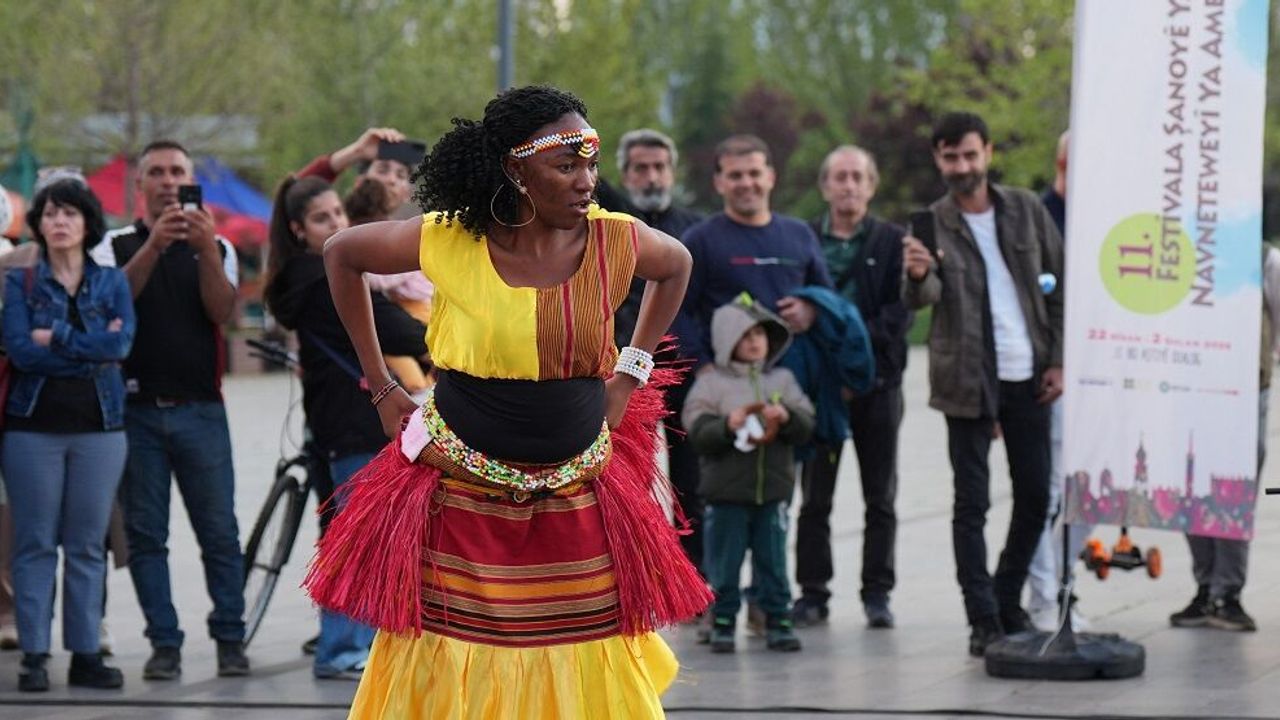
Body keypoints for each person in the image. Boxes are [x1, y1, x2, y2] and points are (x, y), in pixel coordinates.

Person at [303, 85, 708, 718]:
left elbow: (677, 265)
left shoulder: (617, 239)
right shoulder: (449, 238)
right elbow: (341, 254)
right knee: (454, 660)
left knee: (583, 654)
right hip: (460, 497)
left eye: (590, 163)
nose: (586, 181)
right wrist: (381, 385)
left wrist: (629, 374)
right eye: (566, 165)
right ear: (517, 171)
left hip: (576, 495)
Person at [902, 112, 1064, 657]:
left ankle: (1007, 598)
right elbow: (920, 300)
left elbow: (1060, 285)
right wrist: (918, 274)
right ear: (938, 159)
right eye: (950, 157)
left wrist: (1059, 360)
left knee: (1036, 495)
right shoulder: (931, 223)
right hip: (966, 379)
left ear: (988, 152)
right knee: (971, 504)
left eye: (970, 154)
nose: (962, 166)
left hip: (1029, 373)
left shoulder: (1025, 208)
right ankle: (983, 618)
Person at [91, 141, 249, 679]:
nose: (167, 181)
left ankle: (230, 638)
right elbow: (108, 303)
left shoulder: (217, 244)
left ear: (190, 179)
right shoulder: (113, 245)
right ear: (139, 185)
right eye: (156, 172)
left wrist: (204, 250)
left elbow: (222, 311)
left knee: (219, 533)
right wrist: (154, 246)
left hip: (201, 409)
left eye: (177, 171)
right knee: (145, 536)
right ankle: (164, 644)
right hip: (134, 410)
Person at [263, 175, 428, 678]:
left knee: (349, 533)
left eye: (338, 213)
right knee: (359, 538)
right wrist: (442, 336)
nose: (336, 223)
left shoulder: (294, 277)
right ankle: (341, 649)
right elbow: (394, 329)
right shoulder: (322, 279)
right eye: (322, 218)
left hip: (332, 421)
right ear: (298, 229)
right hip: (356, 420)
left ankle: (349, 643)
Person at [2, 180, 134, 691]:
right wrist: (88, 348)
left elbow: (119, 347)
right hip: (32, 429)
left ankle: (85, 655)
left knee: (86, 545)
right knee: (34, 543)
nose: (60, 222)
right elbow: (20, 350)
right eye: (51, 213)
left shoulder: (112, 281)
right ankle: (35, 655)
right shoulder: (20, 283)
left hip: (101, 428)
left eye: (70, 213)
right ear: (38, 224)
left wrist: (56, 336)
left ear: (87, 223)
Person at [795, 145, 910, 629]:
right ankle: (813, 592)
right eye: (839, 177)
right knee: (814, 497)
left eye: (857, 177)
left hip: (878, 386)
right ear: (825, 186)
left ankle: (877, 593)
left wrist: (848, 339)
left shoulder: (893, 241)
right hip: (820, 389)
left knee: (880, 495)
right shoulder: (804, 238)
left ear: (871, 186)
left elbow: (900, 313)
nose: (848, 186)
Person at [597, 128, 705, 571]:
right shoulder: (606, 223)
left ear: (672, 172)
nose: (652, 176)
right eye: (641, 168)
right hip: (623, 369)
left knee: (691, 479)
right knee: (629, 477)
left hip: (685, 369)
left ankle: (693, 572)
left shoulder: (696, 228)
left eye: (659, 167)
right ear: (626, 174)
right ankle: (636, 572)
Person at [683, 295, 814, 654]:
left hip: (772, 492)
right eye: (744, 335)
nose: (754, 342)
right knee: (725, 562)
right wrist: (727, 425)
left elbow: (806, 424)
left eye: (759, 334)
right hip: (726, 494)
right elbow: (697, 429)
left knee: (774, 561)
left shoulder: (782, 380)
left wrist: (787, 416)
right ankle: (723, 620)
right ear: (727, 340)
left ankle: (778, 618)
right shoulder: (712, 385)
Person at [1168, 243, 1280, 633]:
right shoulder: (1179, 248)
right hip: (1188, 384)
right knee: (1191, 488)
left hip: (1244, 388)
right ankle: (1205, 587)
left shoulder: (1264, 257)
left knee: (1234, 490)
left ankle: (1227, 592)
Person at [1025, 130, 1093, 632]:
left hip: (1101, 374)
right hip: (1054, 373)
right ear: (1064, 161)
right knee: (1046, 491)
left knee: (1092, 489)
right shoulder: (1039, 217)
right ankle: (1043, 595)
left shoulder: (1106, 218)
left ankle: (1064, 583)